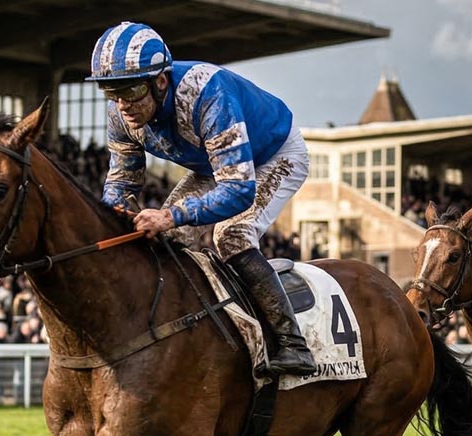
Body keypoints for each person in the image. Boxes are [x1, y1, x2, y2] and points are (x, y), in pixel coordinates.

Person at [88, 21, 314, 377]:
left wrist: (169, 215)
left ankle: (292, 344)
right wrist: (109, 220)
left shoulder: (206, 94)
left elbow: (239, 190)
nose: (122, 105)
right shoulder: (121, 114)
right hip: (213, 165)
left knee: (231, 236)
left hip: (274, 156)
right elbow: (121, 183)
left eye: (131, 90)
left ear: (160, 82)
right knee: (167, 238)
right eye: (111, 92)